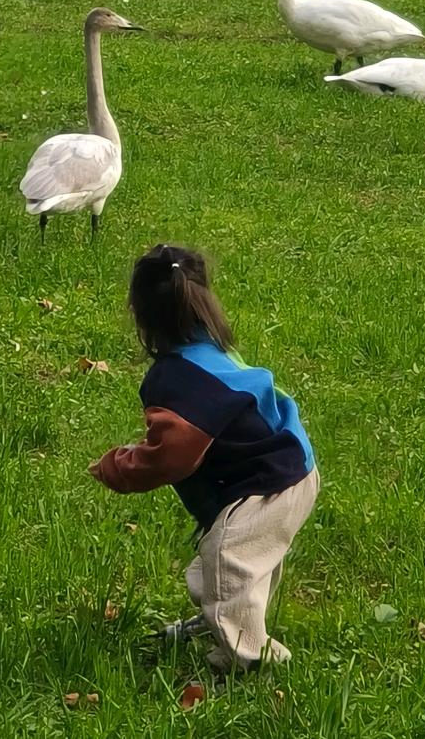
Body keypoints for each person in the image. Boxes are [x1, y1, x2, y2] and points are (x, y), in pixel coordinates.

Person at [89, 244, 319, 672]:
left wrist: (116, 466)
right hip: (292, 465)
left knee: (228, 565)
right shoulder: (214, 350)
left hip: (267, 484)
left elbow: (170, 458)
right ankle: (222, 620)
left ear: (141, 315)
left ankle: (249, 659)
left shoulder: (176, 380)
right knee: (235, 563)